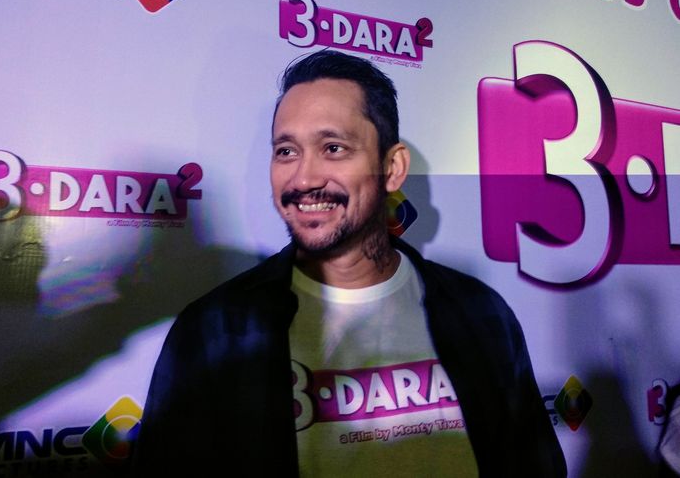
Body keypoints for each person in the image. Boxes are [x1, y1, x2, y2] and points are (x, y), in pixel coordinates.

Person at [132, 50, 566, 477]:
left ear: (392, 168)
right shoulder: (215, 332)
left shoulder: (479, 312)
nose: (304, 178)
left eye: (333, 148)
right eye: (286, 151)